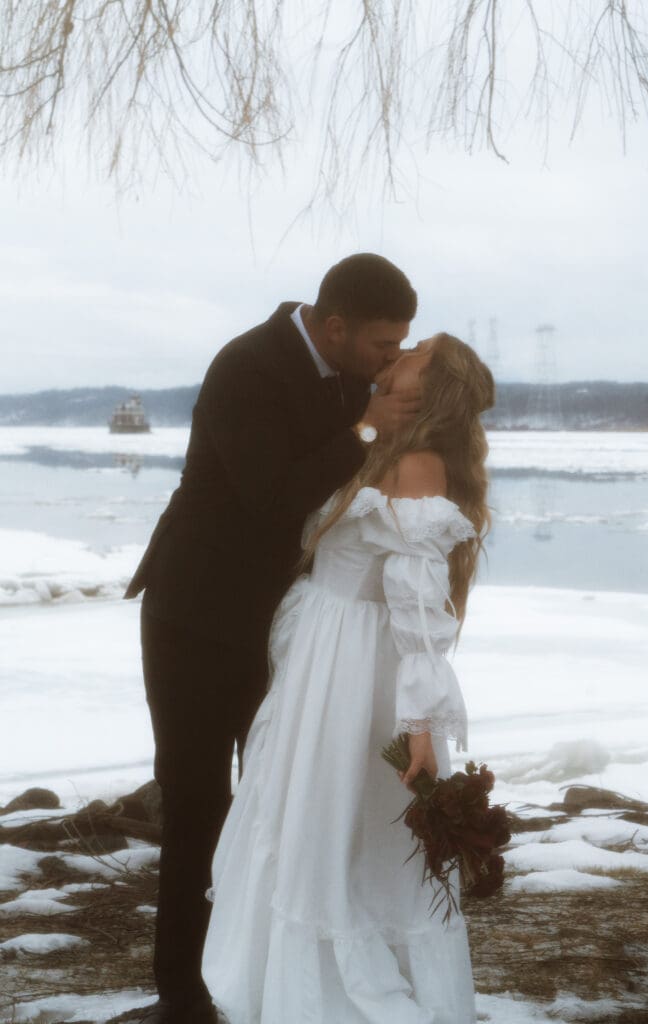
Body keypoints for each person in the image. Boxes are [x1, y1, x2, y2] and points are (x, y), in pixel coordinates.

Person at [124, 254, 422, 1024]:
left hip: (282, 624)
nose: (389, 360)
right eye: (381, 345)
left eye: (399, 346)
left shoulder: (356, 378)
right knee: (196, 801)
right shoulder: (245, 367)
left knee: (278, 800)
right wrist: (362, 430)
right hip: (195, 616)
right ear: (334, 326)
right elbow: (269, 498)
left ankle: (259, 976)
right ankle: (182, 997)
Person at [202, 333, 494, 1024]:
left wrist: (417, 725)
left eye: (417, 351)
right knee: (305, 819)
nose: (402, 349)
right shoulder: (374, 447)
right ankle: (289, 987)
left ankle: (343, 998)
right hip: (321, 660)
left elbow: (418, 605)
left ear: (428, 389)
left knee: (345, 831)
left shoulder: (417, 466)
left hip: (358, 672)